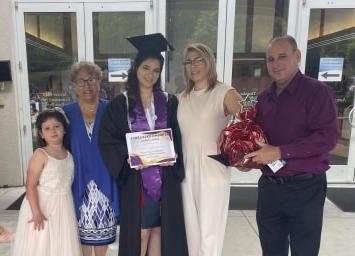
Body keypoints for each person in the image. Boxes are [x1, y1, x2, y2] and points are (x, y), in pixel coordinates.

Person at [245, 35, 339, 256]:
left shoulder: (317, 92)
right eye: (270, 59)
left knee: (304, 251)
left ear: (297, 56)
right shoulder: (264, 98)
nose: (275, 64)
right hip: (270, 188)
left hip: (305, 189)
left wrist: (279, 152)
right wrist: (247, 158)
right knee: (271, 250)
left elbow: (327, 138)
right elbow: (260, 141)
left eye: (282, 57)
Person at [99, 33, 188, 256]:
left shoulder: (170, 101)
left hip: (166, 178)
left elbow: (178, 136)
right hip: (138, 180)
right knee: (142, 232)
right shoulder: (120, 104)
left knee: (160, 229)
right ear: (136, 67)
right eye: (146, 68)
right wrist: (126, 156)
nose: (150, 74)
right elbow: (108, 140)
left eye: (156, 70)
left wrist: (173, 154)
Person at [177, 43, 242, 256]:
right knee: (190, 231)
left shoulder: (224, 92)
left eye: (199, 60)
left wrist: (240, 154)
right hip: (186, 167)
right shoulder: (181, 98)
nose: (193, 66)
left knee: (209, 232)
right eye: (188, 62)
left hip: (212, 166)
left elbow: (248, 123)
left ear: (209, 61)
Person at [63, 62, 119, 256]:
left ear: (99, 82)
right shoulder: (66, 113)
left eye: (91, 80)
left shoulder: (112, 109)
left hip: (106, 181)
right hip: (79, 183)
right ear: (74, 85)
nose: (86, 85)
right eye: (81, 81)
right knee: (83, 238)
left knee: (102, 234)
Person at [12, 109, 81, 256]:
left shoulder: (69, 155)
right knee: (42, 243)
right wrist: (36, 212)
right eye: (47, 128)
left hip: (64, 205)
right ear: (42, 134)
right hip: (43, 205)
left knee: (61, 243)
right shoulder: (40, 154)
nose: (53, 131)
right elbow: (30, 186)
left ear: (64, 130)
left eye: (57, 126)